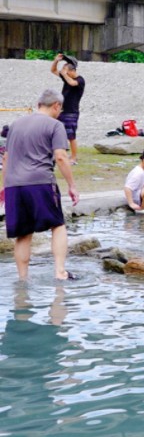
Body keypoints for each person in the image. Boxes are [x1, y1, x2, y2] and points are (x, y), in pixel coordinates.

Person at [0, 89, 80, 281]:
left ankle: (22, 279)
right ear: (56, 106)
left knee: (23, 233)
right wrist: (72, 185)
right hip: (40, 182)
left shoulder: (16, 124)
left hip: (14, 184)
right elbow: (60, 157)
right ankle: (60, 271)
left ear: (38, 105)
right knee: (58, 225)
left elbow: (6, 157)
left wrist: (4, 186)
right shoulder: (55, 125)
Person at [49, 53, 85, 165]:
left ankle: (73, 158)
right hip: (61, 110)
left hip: (71, 112)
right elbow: (53, 70)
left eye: (65, 69)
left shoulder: (80, 80)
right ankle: (56, 154)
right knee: (55, 132)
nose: (63, 71)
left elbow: (72, 83)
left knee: (71, 136)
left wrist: (64, 74)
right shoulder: (66, 77)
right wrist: (56, 61)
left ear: (72, 70)